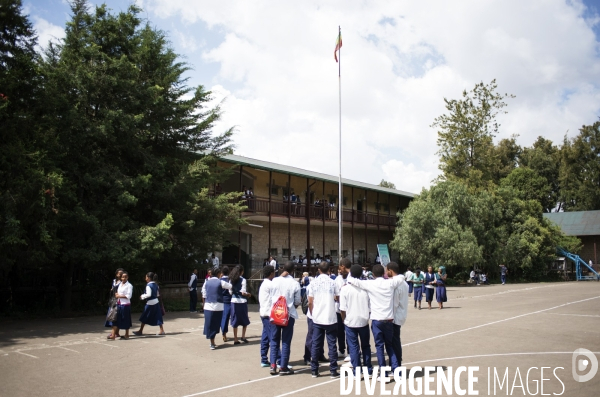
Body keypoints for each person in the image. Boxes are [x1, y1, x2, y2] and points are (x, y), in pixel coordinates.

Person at [347, 264, 403, 382]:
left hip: (377, 320)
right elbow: (401, 277)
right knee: (390, 346)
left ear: (372, 275)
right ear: (384, 273)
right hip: (388, 320)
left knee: (379, 347)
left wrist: (350, 271)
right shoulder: (390, 283)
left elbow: (353, 281)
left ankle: (383, 374)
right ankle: (397, 372)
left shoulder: (370, 284)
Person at [339, 265, 372, 378]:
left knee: (354, 347)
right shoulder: (365, 288)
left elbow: (342, 308)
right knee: (366, 346)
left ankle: (357, 371)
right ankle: (368, 369)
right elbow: (370, 306)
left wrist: (344, 320)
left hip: (350, 321)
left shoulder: (344, 289)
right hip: (363, 320)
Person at [309, 261, 340, 379]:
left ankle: (314, 370)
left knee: (316, 344)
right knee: (332, 344)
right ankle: (333, 370)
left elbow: (310, 301)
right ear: (329, 270)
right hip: (330, 316)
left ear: (318, 270)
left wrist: (312, 313)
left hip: (317, 317)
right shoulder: (333, 282)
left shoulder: (313, 283)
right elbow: (338, 297)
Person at [269, 261, 301, 376]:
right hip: (288, 314)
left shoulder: (274, 281)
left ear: (282, 268)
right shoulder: (294, 283)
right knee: (286, 341)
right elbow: (297, 300)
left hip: (275, 313)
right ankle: (283, 366)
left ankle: (273, 365)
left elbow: (271, 296)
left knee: (274, 340)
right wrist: (292, 306)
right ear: (292, 270)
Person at [202, 267, 233, 350]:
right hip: (218, 306)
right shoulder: (221, 282)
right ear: (219, 274)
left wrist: (204, 302)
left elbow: (204, 293)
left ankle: (212, 341)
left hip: (208, 306)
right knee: (215, 324)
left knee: (209, 324)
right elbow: (230, 286)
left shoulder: (207, 282)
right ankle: (212, 341)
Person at [387, 262, 408, 376]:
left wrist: (389, 317)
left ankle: (396, 367)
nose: (386, 272)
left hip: (395, 316)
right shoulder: (404, 283)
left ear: (390, 270)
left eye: (387, 270)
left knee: (394, 343)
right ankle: (395, 365)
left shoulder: (397, 285)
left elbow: (394, 304)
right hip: (401, 314)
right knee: (395, 341)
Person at [230, 265, 251, 344]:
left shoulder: (231, 280)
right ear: (241, 271)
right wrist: (248, 294)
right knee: (244, 318)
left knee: (235, 319)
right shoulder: (243, 280)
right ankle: (243, 336)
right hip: (242, 301)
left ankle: (235, 338)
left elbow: (230, 292)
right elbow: (243, 292)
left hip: (234, 300)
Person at [259, 265, 276, 367]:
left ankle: (264, 358)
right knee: (273, 337)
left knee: (265, 336)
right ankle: (278, 358)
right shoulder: (270, 284)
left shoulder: (263, 284)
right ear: (271, 274)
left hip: (263, 312)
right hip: (268, 313)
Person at [335, 258, 352, 361]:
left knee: (350, 331)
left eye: (340, 267)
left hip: (350, 309)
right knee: (340, 331)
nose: (339, 270)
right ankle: (341, 350)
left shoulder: (353, 278)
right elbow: (336, 296)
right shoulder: (337, 279)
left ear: (343, 266)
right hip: (339, 309)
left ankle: (351, 352)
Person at [109, 271, 133, 340]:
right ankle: (113, 335)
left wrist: (120, 296)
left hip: (125, 305)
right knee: (115, 319)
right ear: (121, 278)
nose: (124, 278)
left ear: (127, 277)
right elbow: (117, 292)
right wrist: (117, 295)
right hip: (118, 304)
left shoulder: (129, 285)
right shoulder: (120, 284)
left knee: (126, 319)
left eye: (125, 277)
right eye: (123, 277)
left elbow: (129, 296)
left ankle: (127, 334)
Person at [105, 268, 123, 338]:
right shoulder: (114, 281)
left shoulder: (122, 283)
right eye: (119, 273)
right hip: (112, 300)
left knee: (115, 316)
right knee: (111, 316)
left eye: (121, 274)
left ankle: (116, 333)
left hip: (118, 300)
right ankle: (114, 332)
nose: (120, 275)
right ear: (116, 274)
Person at [220, 266, 232, 342]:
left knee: (223, 317)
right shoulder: (230, 280)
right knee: (227, 317)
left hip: (221, 300)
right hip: (228, 300)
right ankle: (224, 333)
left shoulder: (219, 280)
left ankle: (223, 333)